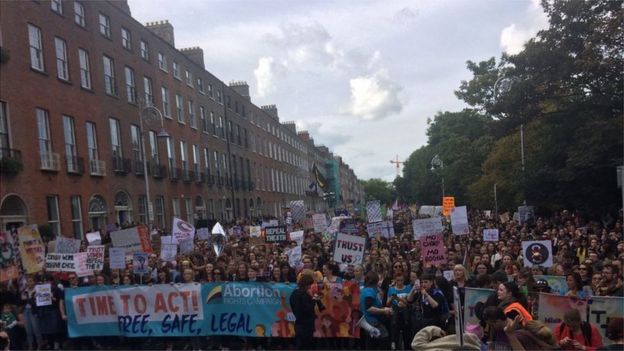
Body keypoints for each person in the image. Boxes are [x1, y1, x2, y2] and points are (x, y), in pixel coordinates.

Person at [289, 272, 323, 350]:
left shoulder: (294, 293)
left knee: (299, 343)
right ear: (307, 284)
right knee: (305, 344)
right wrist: (314, 300)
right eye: (310, 284)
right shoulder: (303, 294)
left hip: (298, 322)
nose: (310, 286)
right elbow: (307, 308)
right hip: (306, 323)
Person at [360, 271, 392, 349]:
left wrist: (383, 309)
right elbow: (369, 308)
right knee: (383, 341)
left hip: (370, 322)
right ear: (375, 280)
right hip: (372, 322)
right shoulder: (369, 291)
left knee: (372, 343)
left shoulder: (365, 289)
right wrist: (384, 311)